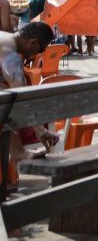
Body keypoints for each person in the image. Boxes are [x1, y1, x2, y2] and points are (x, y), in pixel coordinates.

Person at [0, 22, 60, 163]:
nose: (39, 54)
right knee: (7, 104)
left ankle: (16, 154)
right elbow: (22, 97)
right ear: (33, 42)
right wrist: (40, 131)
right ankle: (18, 153)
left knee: (5, 99)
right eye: (41, 50)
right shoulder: (10, 54)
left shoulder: (5, 38)